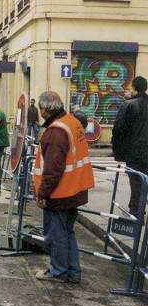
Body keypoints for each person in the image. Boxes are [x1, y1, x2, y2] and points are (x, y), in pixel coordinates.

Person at [33, 91, 94, 283]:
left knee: (56, 234)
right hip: (74, 189)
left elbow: (53, 168)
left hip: (60, 193)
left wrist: (42, 193)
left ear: (45, 109)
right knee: (67, 232)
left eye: (41, 109)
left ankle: (58, 271)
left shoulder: (55, 132)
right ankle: (73, 272)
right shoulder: (72, 122)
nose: (40, 113)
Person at [112, 76, 148, 217]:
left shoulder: (129, 105)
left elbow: (118, 130)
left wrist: (118, 153)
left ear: (134, 87)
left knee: (136, 184)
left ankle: (136, 214)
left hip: (135, 153)